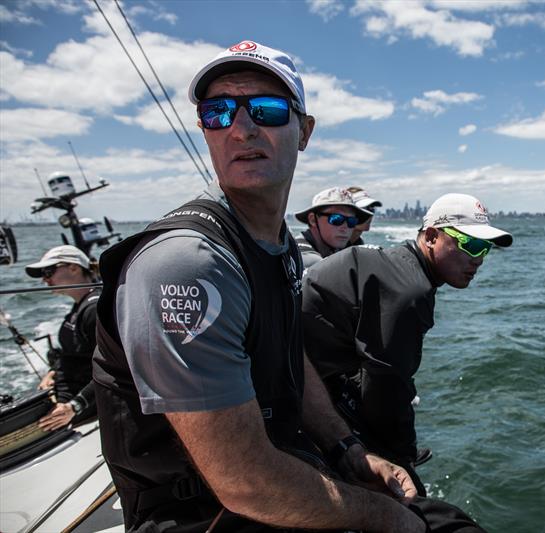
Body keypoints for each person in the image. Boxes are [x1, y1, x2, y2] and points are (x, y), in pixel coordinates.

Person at [92, 40, 484, 532]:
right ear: (204, 131)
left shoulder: (276, 246)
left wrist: (348, 449)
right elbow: (245, 482)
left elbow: (285, 352)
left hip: (278, 474)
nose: (241, 127)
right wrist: (385, 518)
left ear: (305, 131)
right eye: (218, 112)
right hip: (206, 516)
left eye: (267, 109)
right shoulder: (186, 265)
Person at [302, 193, 513, 494]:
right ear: (431, 236)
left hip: (309, 363)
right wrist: (403, 459)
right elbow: (385, 389)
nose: (477, 259)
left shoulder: (401, 266)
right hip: (296, 379)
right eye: (470, 244)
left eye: (484, 249)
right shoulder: (409, 291)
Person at [25, 245, 99, 430]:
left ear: (74, 267)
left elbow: (116, 368)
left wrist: (75, 406)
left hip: (85, 405)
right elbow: (74, 355)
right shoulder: (80, 307)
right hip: (67, 397)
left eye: (48, 271)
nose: (45, 279)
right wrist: (53, 373)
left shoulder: (94, 310)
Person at [294, 187, 372, 269]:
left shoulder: (336, 248)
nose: (345, 228)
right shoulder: (306, 257)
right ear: (313, 220)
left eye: (351, 221)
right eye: (337, 219)